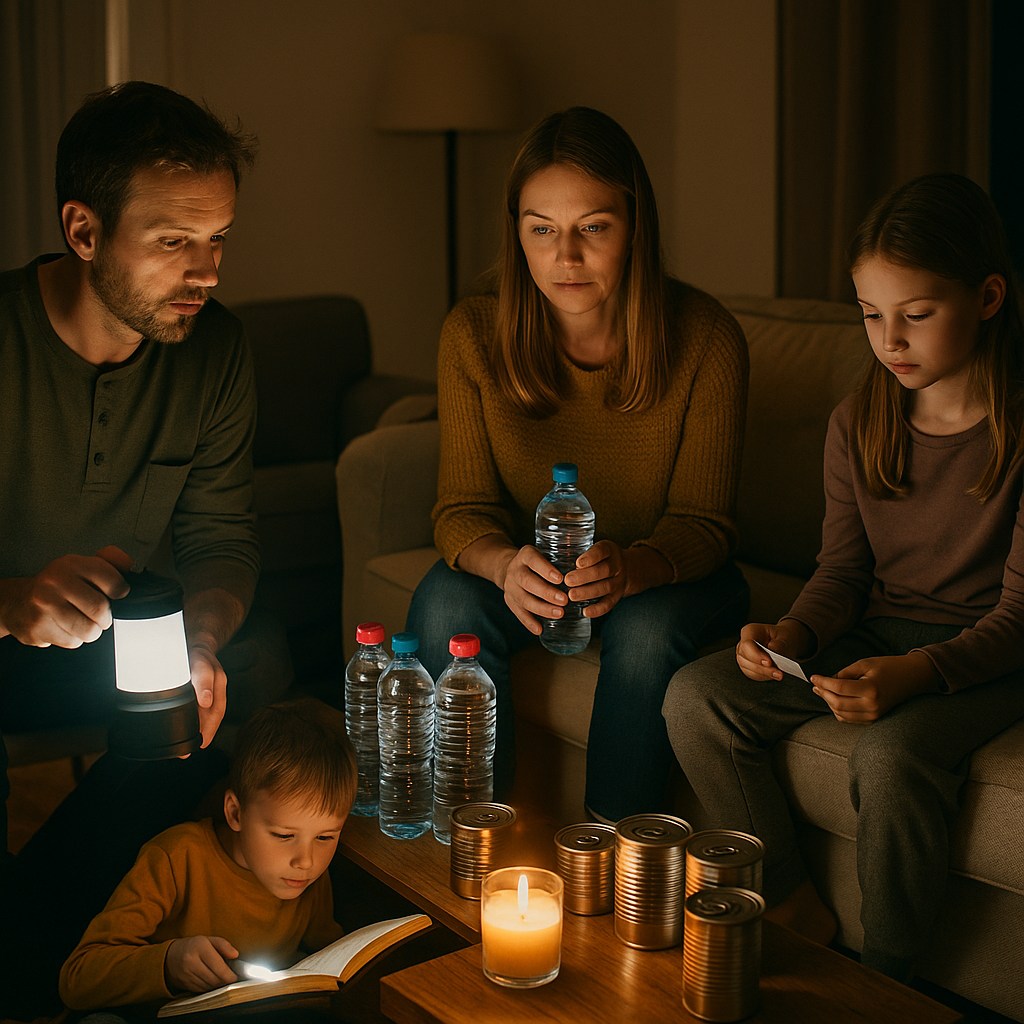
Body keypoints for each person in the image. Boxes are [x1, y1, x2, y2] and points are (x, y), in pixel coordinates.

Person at [662, 173, 1024, 981]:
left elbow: (1019, 618)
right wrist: (794, 633)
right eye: (870, 314)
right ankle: (789, 901)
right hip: (878, 628)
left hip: (989, 654)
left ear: (988, 296)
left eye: (917, 314)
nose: (889, 340)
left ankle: (893, 979)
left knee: (890, 760)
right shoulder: (859, 420)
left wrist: (917, 674)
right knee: (698, 696)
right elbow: (842, 570)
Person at [0, 81, 289, 1018]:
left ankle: (38, 948)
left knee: (211, 718)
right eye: (173, 242)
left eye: (218, 240)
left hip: (115, 651)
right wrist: (11, 602)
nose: (205, 272)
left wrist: (202, 639)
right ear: (84, 233)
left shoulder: (215, 352)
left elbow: (220, 537)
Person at [406, 106, 750, 823]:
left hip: (664, 579)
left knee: (646, 628)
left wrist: (637, 566)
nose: (566, 257)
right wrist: (504, 565)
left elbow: (706, 524)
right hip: (539, 574)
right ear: (518, 233)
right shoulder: (471, 334)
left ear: (635, 226)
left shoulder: (707, 337)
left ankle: (613, 852)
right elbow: (460, 508)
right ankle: (473, 834)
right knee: (443, 600)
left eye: (594, 227)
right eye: (542, 229)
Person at [59, 698, 356, 1015]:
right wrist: (170, 964)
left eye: (326, 837)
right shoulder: (177, 858)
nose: (306, 861)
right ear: (235, 813)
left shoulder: (308, 878)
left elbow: (325, 957)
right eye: (284, 835)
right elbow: (77, 979)